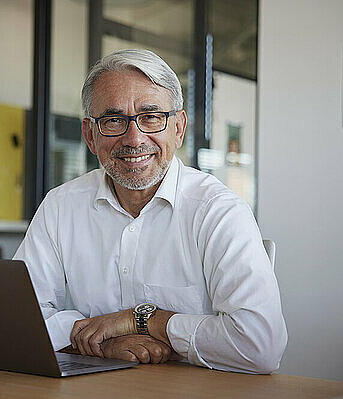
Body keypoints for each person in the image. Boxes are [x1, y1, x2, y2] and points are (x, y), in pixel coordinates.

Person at [14, 49, 287, 374]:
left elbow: (260, 346)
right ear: (89, 135)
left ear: (178, 127)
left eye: (151, 117)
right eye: (113, 120)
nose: (134, 138)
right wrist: (103, 341)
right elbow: (18, 318)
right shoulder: (61, 206)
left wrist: (144, 319)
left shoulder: (219, 212)